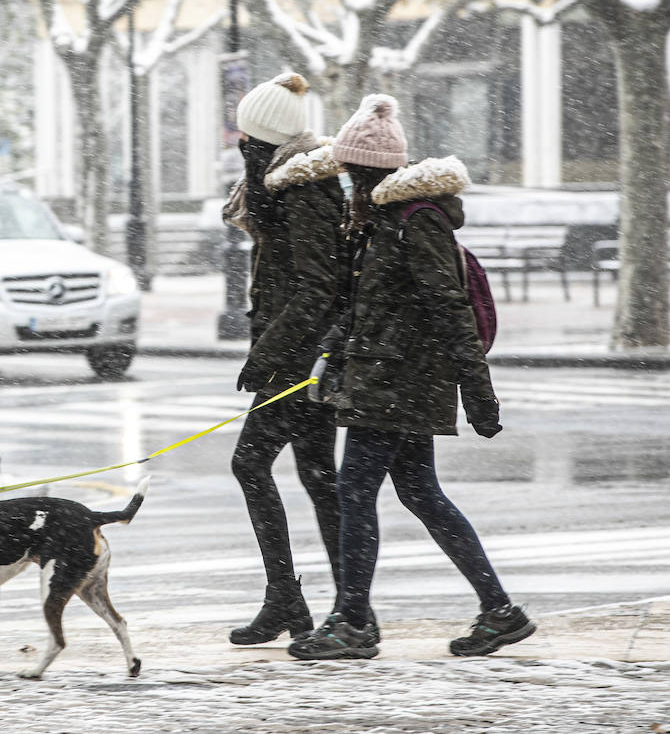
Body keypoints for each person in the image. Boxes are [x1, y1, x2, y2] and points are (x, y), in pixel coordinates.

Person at [289, 94, 535, 660]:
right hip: (388, 377)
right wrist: (333, 351)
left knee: (356, 491)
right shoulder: (378, 225)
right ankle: (500, 612)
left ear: (371, 171)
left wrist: (479, 394)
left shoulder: (414, 223)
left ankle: (353, 622)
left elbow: (449, 309)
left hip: (402, 381)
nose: (348, 185)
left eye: (353, 173)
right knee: (421, 492)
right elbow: (370, 307)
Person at [221, 72, 346, 645]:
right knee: (319, 477)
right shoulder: (285, 186)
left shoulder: (305, 192)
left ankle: (296, 599)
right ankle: (338, 605)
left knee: (252, 464)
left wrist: (265, 357)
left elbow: (318, 288)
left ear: (263, 139)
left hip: (299, 359)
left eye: (246, 139)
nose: (239, 147)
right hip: (299, 354)